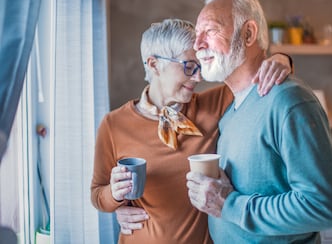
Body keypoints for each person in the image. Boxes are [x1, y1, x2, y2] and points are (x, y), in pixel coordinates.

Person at [90, 18, 292, 244]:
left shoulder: (212, 105)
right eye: (188, 66)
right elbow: (97, 195)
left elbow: (255, 74)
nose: (198, 77)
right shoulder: (114, 124)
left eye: (200, 67)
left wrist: (281, 59)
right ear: (154, 64)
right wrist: (115, 195)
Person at [186, 0, 332, 243]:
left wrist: (229, 204)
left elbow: (325, 207)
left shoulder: (289, 101)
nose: (198, 45)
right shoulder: (229, 111)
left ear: (248, 33)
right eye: (197, 34)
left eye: (211, 31)